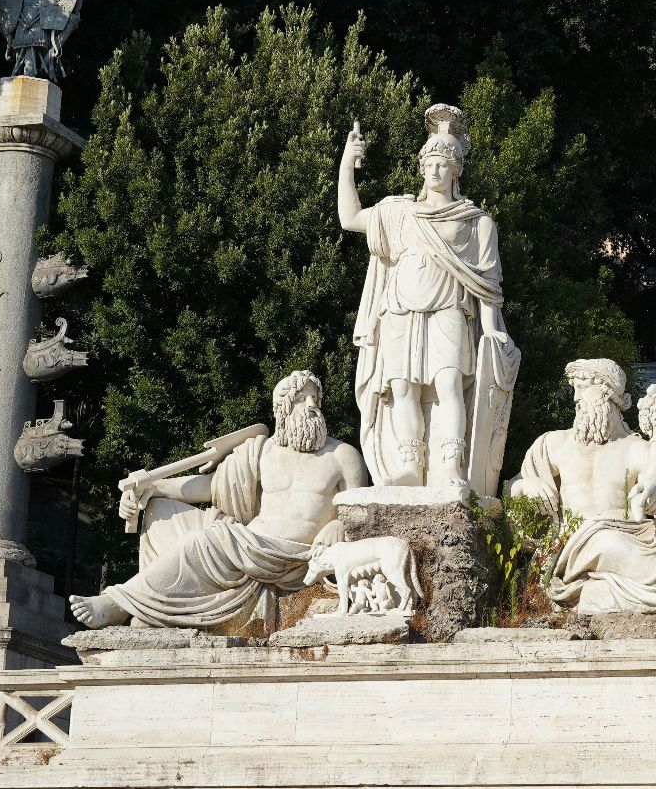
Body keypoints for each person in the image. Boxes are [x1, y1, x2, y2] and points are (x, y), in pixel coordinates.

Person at [70, 371, 371, 630]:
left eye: (316, 399)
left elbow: (362, 512)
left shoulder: (343, 455)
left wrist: (340, 527)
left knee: (205, 541)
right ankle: (154, 610)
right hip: (250, 540)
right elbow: (214, 487)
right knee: (160, 510)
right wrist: (154, 487)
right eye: (302, 399)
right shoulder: (262, 451)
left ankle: (119, 603)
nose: (312, 406)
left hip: (294, 555)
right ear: (282, 409)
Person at [341, 105, 518, 490]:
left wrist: (491, 328)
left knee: (448, 384)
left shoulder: (477, 222)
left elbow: (487, 283)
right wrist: (346, 164)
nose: (434, 171)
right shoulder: (398, 212)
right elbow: (349, 218)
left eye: (442, 164)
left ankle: (450, 464)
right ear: (421, 168)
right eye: (429, 164)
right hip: (399, 309)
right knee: (402, 388)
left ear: (456, 170)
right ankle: (410, 465)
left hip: (448, 307)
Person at [510, 360, 656, 616]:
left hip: (633, 533)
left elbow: (654, 494)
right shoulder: (553, 443)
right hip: (581, 541)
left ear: (608, 394)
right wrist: (526, 486)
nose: (576, 398)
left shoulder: (635, 448)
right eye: (575, 389)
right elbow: (512, 487)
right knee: (606, 540)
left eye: (583, 388)